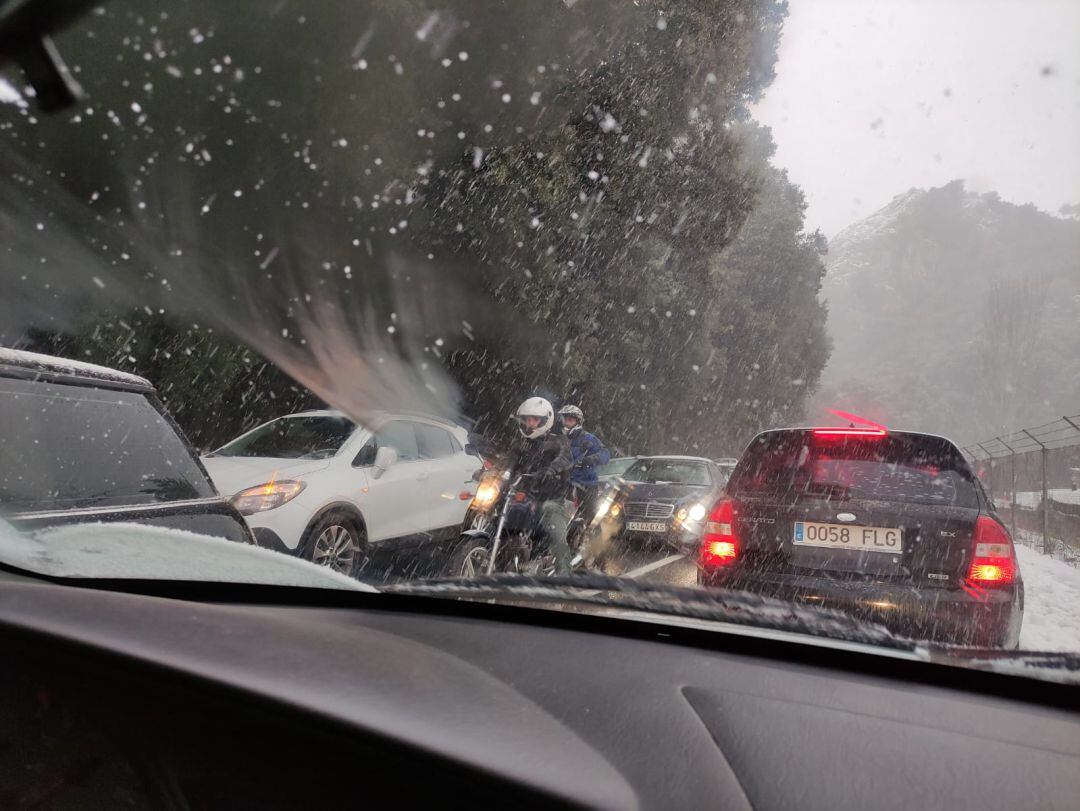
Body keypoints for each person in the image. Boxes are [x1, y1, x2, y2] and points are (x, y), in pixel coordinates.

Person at [508, 397, 574, 575]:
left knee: (558, 539)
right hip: (527, 496)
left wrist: (551, 469)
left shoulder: (559, 440)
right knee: (501, 514)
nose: (530, 423)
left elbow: (565, 457)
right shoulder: (523, 443)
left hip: (552, 497)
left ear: (546, 420)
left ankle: (565, 581)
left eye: (535, 419)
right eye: (528, 419)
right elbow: (510, 462)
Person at [558, 404, 610, 510]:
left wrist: (590, 460)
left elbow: (605, 454)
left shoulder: (588, 438)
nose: (567, 423)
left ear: (578, 422)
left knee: (590, 517)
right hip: (565, 486)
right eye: (565, 420)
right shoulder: (559, 440)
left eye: (570, 420)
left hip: (586, 486)